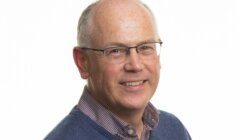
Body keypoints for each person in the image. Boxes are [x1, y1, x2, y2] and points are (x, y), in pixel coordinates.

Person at [45, 0, 191, 139]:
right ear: (83, 62)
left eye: (145, 47)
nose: (135, 65)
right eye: (116, 51)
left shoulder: (174, 130)